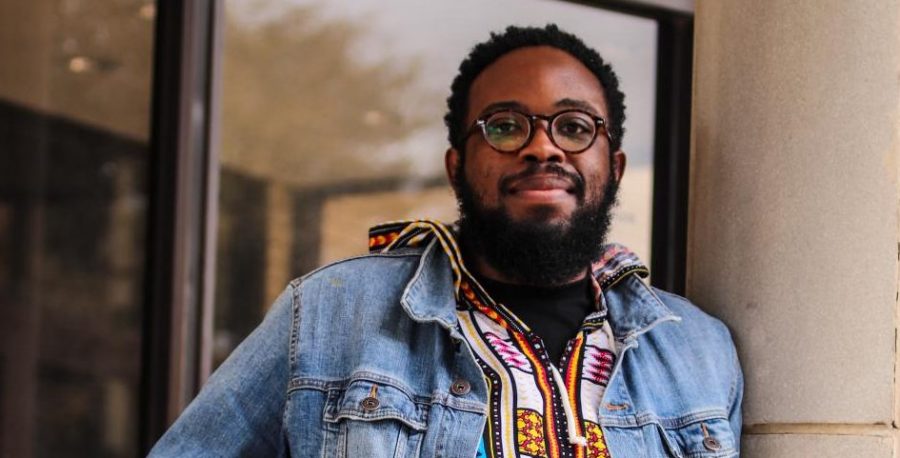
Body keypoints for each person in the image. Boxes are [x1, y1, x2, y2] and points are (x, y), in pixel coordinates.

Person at [150, 24, 742, 458]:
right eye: (506, 126)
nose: (543, 147)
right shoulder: (332, 312)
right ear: (458, 165)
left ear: (612, 167)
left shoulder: (698, 353)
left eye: (574, 126)